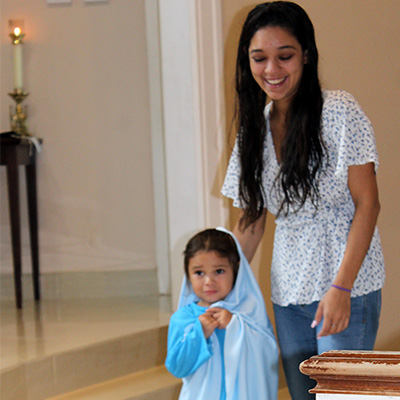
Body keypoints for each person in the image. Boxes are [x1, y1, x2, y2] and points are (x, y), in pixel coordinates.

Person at [221, 2, 385, 399]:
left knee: (343, 395)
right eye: (259, 58)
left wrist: (341, 289)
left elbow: (368, 204)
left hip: (346, 282)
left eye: (285, 56)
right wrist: (220, 287)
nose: (272, 70)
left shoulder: (339, 110)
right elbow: (252, 220)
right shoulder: (254, 129)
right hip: (289, 289)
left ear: (306, 55)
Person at [165, 227, 279, 400]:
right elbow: (177, 367)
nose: (209, 281)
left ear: (236, 269)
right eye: (199, 273)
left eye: (219, 271)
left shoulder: (248, 313)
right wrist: (199, 333)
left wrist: (235, 325)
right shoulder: (184, 319)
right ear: (187, 273)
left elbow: (268, 353)